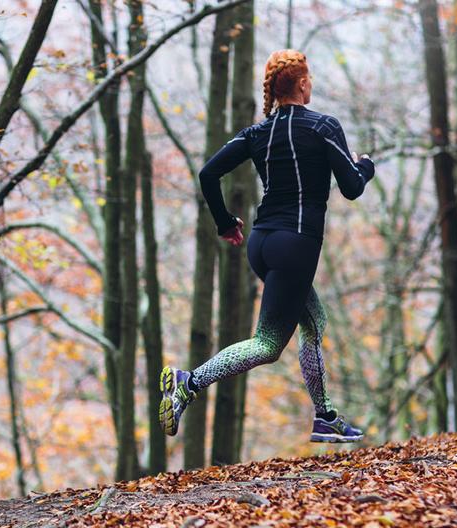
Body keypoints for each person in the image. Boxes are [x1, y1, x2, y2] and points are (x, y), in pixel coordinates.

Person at [158, 49, 375, 443]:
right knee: (268, 344)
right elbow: (352, 187)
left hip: (261, 245)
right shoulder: (324, 127)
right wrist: (366, 165)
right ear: (303, 84)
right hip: (297, 244)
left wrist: (225, 223)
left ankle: (324, 416)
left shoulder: (256, 133)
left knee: (313, 321)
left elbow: (209, 174)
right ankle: (188, 382)